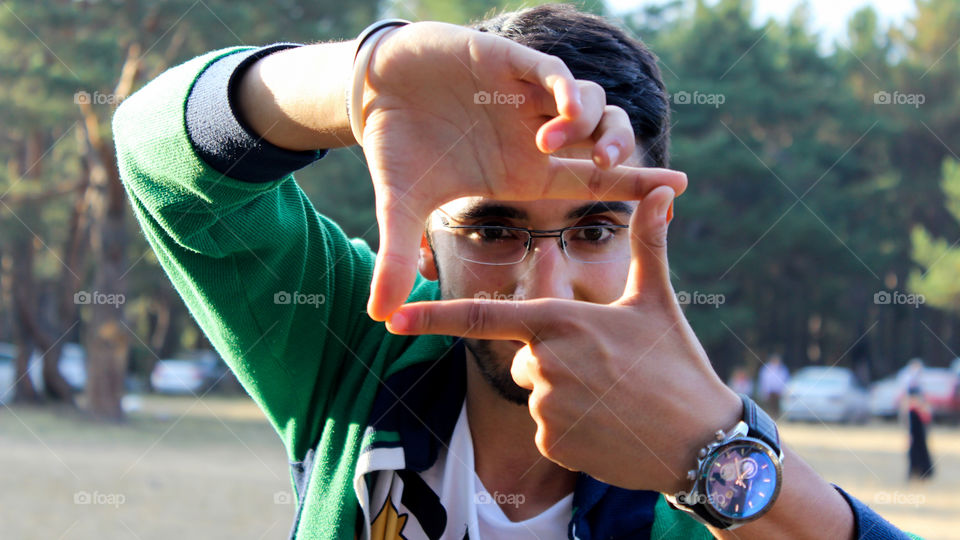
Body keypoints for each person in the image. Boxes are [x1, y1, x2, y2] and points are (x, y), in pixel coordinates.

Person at [113, 4, 919, 539]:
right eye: (495, 227)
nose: (546, 290)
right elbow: (154, 151)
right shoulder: (354, 354)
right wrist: (360, 81)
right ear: (427, 244)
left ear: (653, 228)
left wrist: (713, 465)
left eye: (595, 228)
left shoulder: (698, 469)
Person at [904, 387, 935, 482]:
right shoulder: (912, 410)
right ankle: (914, 474)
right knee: (913, 456)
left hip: (921, 439)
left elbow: (927, 423)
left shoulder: (920, 410)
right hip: (915, 439)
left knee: (921, 455)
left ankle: (923, 474)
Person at [757, 353, 790, 417]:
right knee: (769, 407)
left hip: (779, 392)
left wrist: (783, 391)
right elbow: (764, 381)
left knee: (777, 407)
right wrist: (764, 391)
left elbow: (786, 380)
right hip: (770, 392)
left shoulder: (783, 369)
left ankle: (777, 416)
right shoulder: (766, 369)